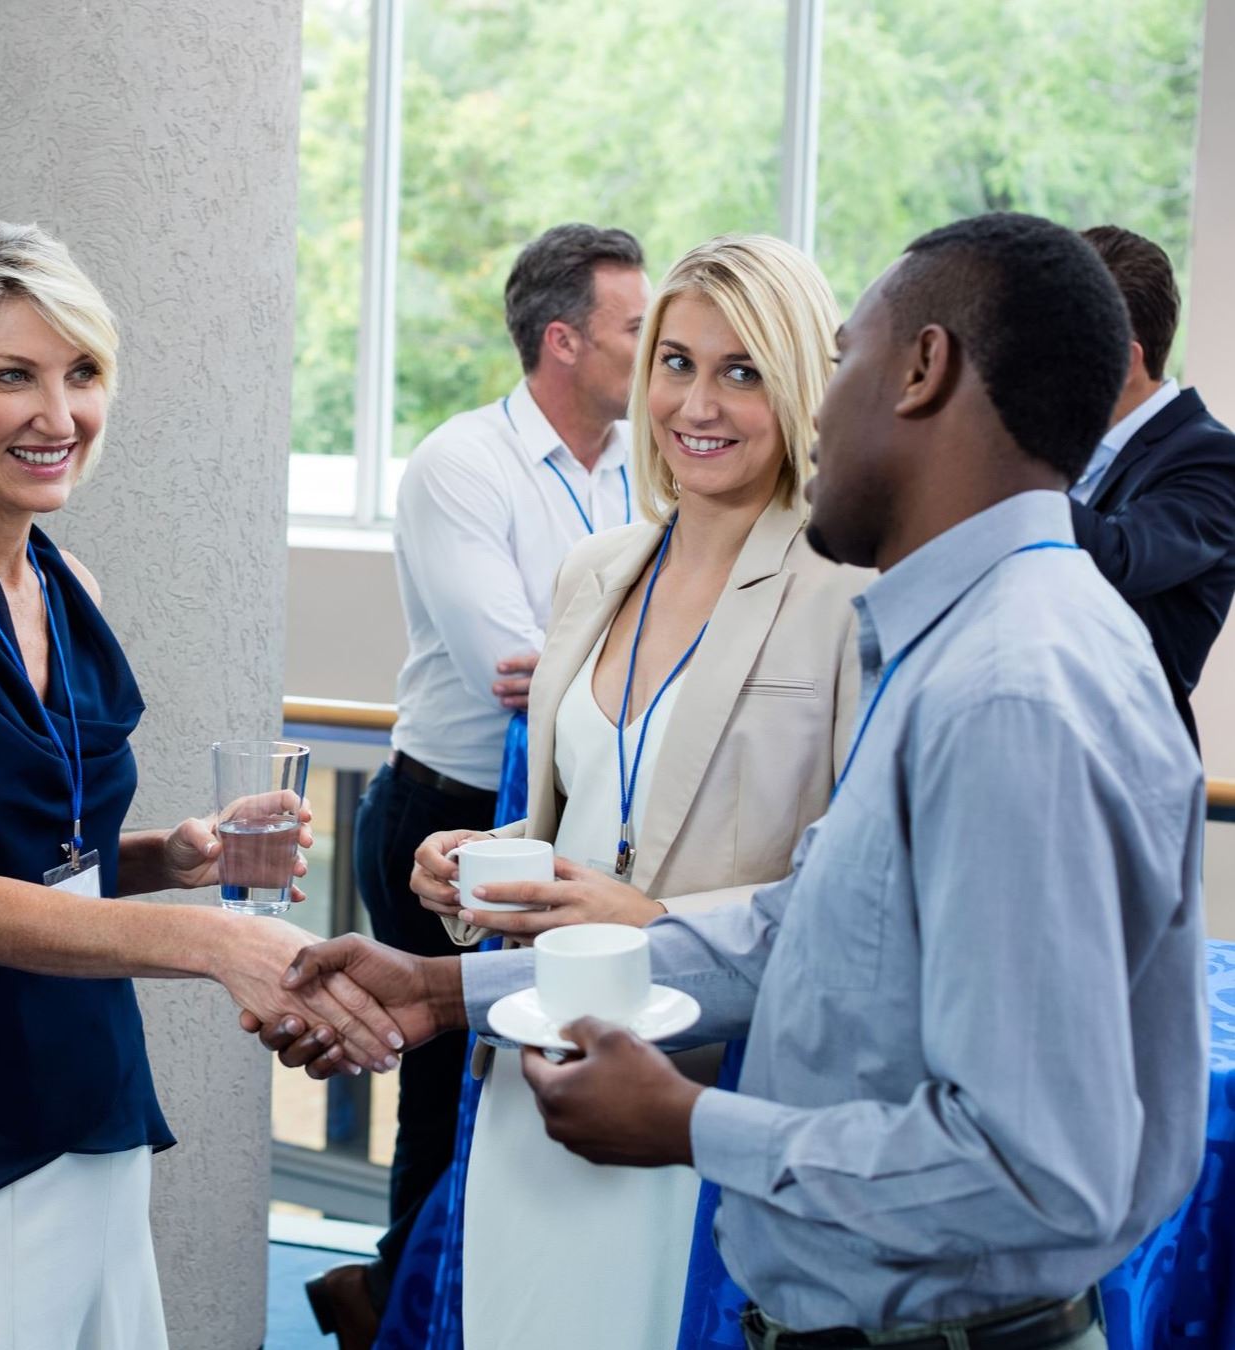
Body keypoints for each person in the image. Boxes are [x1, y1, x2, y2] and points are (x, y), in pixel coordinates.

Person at [257, 214, 1208, 1349]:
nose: (816, 404)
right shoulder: (984, 638)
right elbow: (808, 928)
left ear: (922, 372)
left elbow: (1040, 1164)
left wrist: (697, 1127)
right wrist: (442, 990)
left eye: (835, 357)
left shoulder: (1009, 686)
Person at [0, 219, 403, 1349]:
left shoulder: (71, 582)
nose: (58, 416)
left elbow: (31, 845)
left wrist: (168, 857)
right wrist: (218, 942)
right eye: (11, 376)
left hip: (89, 1088)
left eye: (82, 375)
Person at [403, 233, 866, 1349]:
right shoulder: (597, 569)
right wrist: (482, 860)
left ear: (801, 382)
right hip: (537, 1073)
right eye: (675, 361)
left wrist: (648, 922)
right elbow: (598, 823)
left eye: (743, 370)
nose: (697, 402)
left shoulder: (849, 588)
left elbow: (854, 908)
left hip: (700, 1102)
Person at [320, 222, 649, 1342]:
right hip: (446, 814)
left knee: (530, 1077)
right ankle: (394, 1308)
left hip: (580, 822)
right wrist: (613, 656)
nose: (658, 356)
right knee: (444, 1079)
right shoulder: (463, 463)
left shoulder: (645, 471)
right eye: (637, 330)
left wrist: (586, 657)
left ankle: (427, 1294)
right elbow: (512, 671)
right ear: (564, 342)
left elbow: (572, 667)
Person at [1071, 224, 1235, 751]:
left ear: (1124, 362)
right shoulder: (1067, 456)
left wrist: (1010, 460)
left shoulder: (1212, 458)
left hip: (1120, 769)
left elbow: (1118, 559)